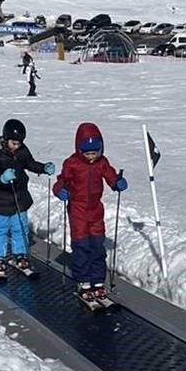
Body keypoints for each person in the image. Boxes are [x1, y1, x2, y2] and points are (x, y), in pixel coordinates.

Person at [52, 123, 128, 301]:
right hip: (77, 209)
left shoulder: (102, 162)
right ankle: (84, 281)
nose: (91, 157)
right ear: (79, 150)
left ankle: (98, 281)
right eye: (87, 153)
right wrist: (60, 190)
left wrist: (117, 182)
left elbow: (110, 175)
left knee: (97, 246)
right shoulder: (72, 163)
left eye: (95, 153)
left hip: (95, 209)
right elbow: (61, 181)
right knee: (81, 246)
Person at [0, 119, 55, 275]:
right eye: (14, 143)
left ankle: (20, 255)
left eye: (19, 143)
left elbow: (30, 163)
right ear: (5, 139)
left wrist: (43, 168)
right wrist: (2, 178)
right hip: (2, 201)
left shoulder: (22, 150)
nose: (17, 146)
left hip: (20, 199)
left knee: (21, 229)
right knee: (0, 230)